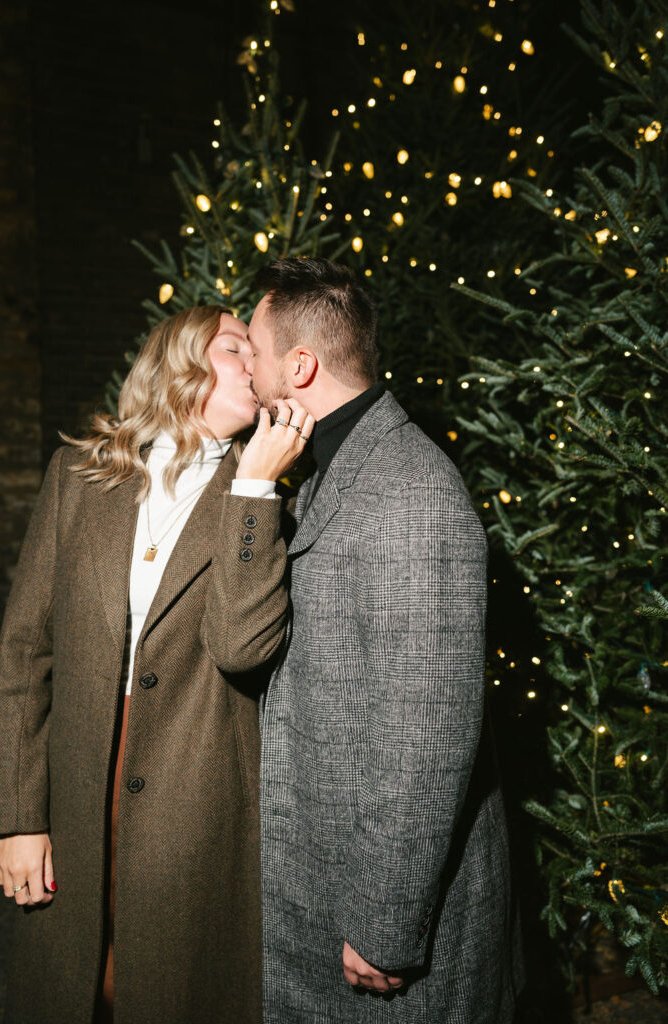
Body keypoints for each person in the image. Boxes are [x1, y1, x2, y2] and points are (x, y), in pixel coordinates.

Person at [0, 304, 314, 1024]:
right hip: (75, 791)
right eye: (237, 348)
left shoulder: (265, 502)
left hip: (200, 809)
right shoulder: (78, 476)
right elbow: (23, 652)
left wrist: (255, 489)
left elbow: (244, 645)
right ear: (181, 360)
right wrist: (17, 817)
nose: (256, 365)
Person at [233, 257, 524, 1023]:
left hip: (376, 926)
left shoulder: (410, 490)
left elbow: (427, 728)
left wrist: (386, 925)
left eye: (256, 353)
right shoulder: (332, 471)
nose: (251, 372)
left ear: (298, 365)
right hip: (323, 895)